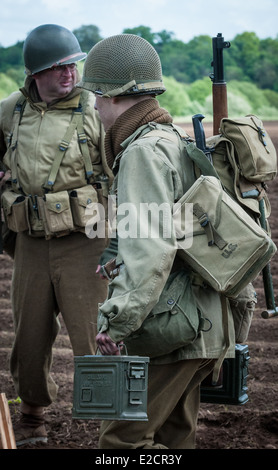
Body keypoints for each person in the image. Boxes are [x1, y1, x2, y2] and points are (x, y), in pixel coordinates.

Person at [77, 33, 236, 449]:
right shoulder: (173, 140)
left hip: (172, 328)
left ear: (114, 96)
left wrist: (118, 321)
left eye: (96, 95)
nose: (94, 106)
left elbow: (149, 249)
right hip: (200, 323)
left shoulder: (143, 151)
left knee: (121, 443)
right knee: (174, 439)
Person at [0, 24, 112, 446]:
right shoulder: (11, 111)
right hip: (29, 241)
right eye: (57, 67)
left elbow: (127, 169)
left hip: (88, 241)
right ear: (35, 73)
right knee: (28, 338)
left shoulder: (97, 110)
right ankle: (32, 418)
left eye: (72, 65)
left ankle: (114, 432)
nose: (68, 74)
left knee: (97, 335)